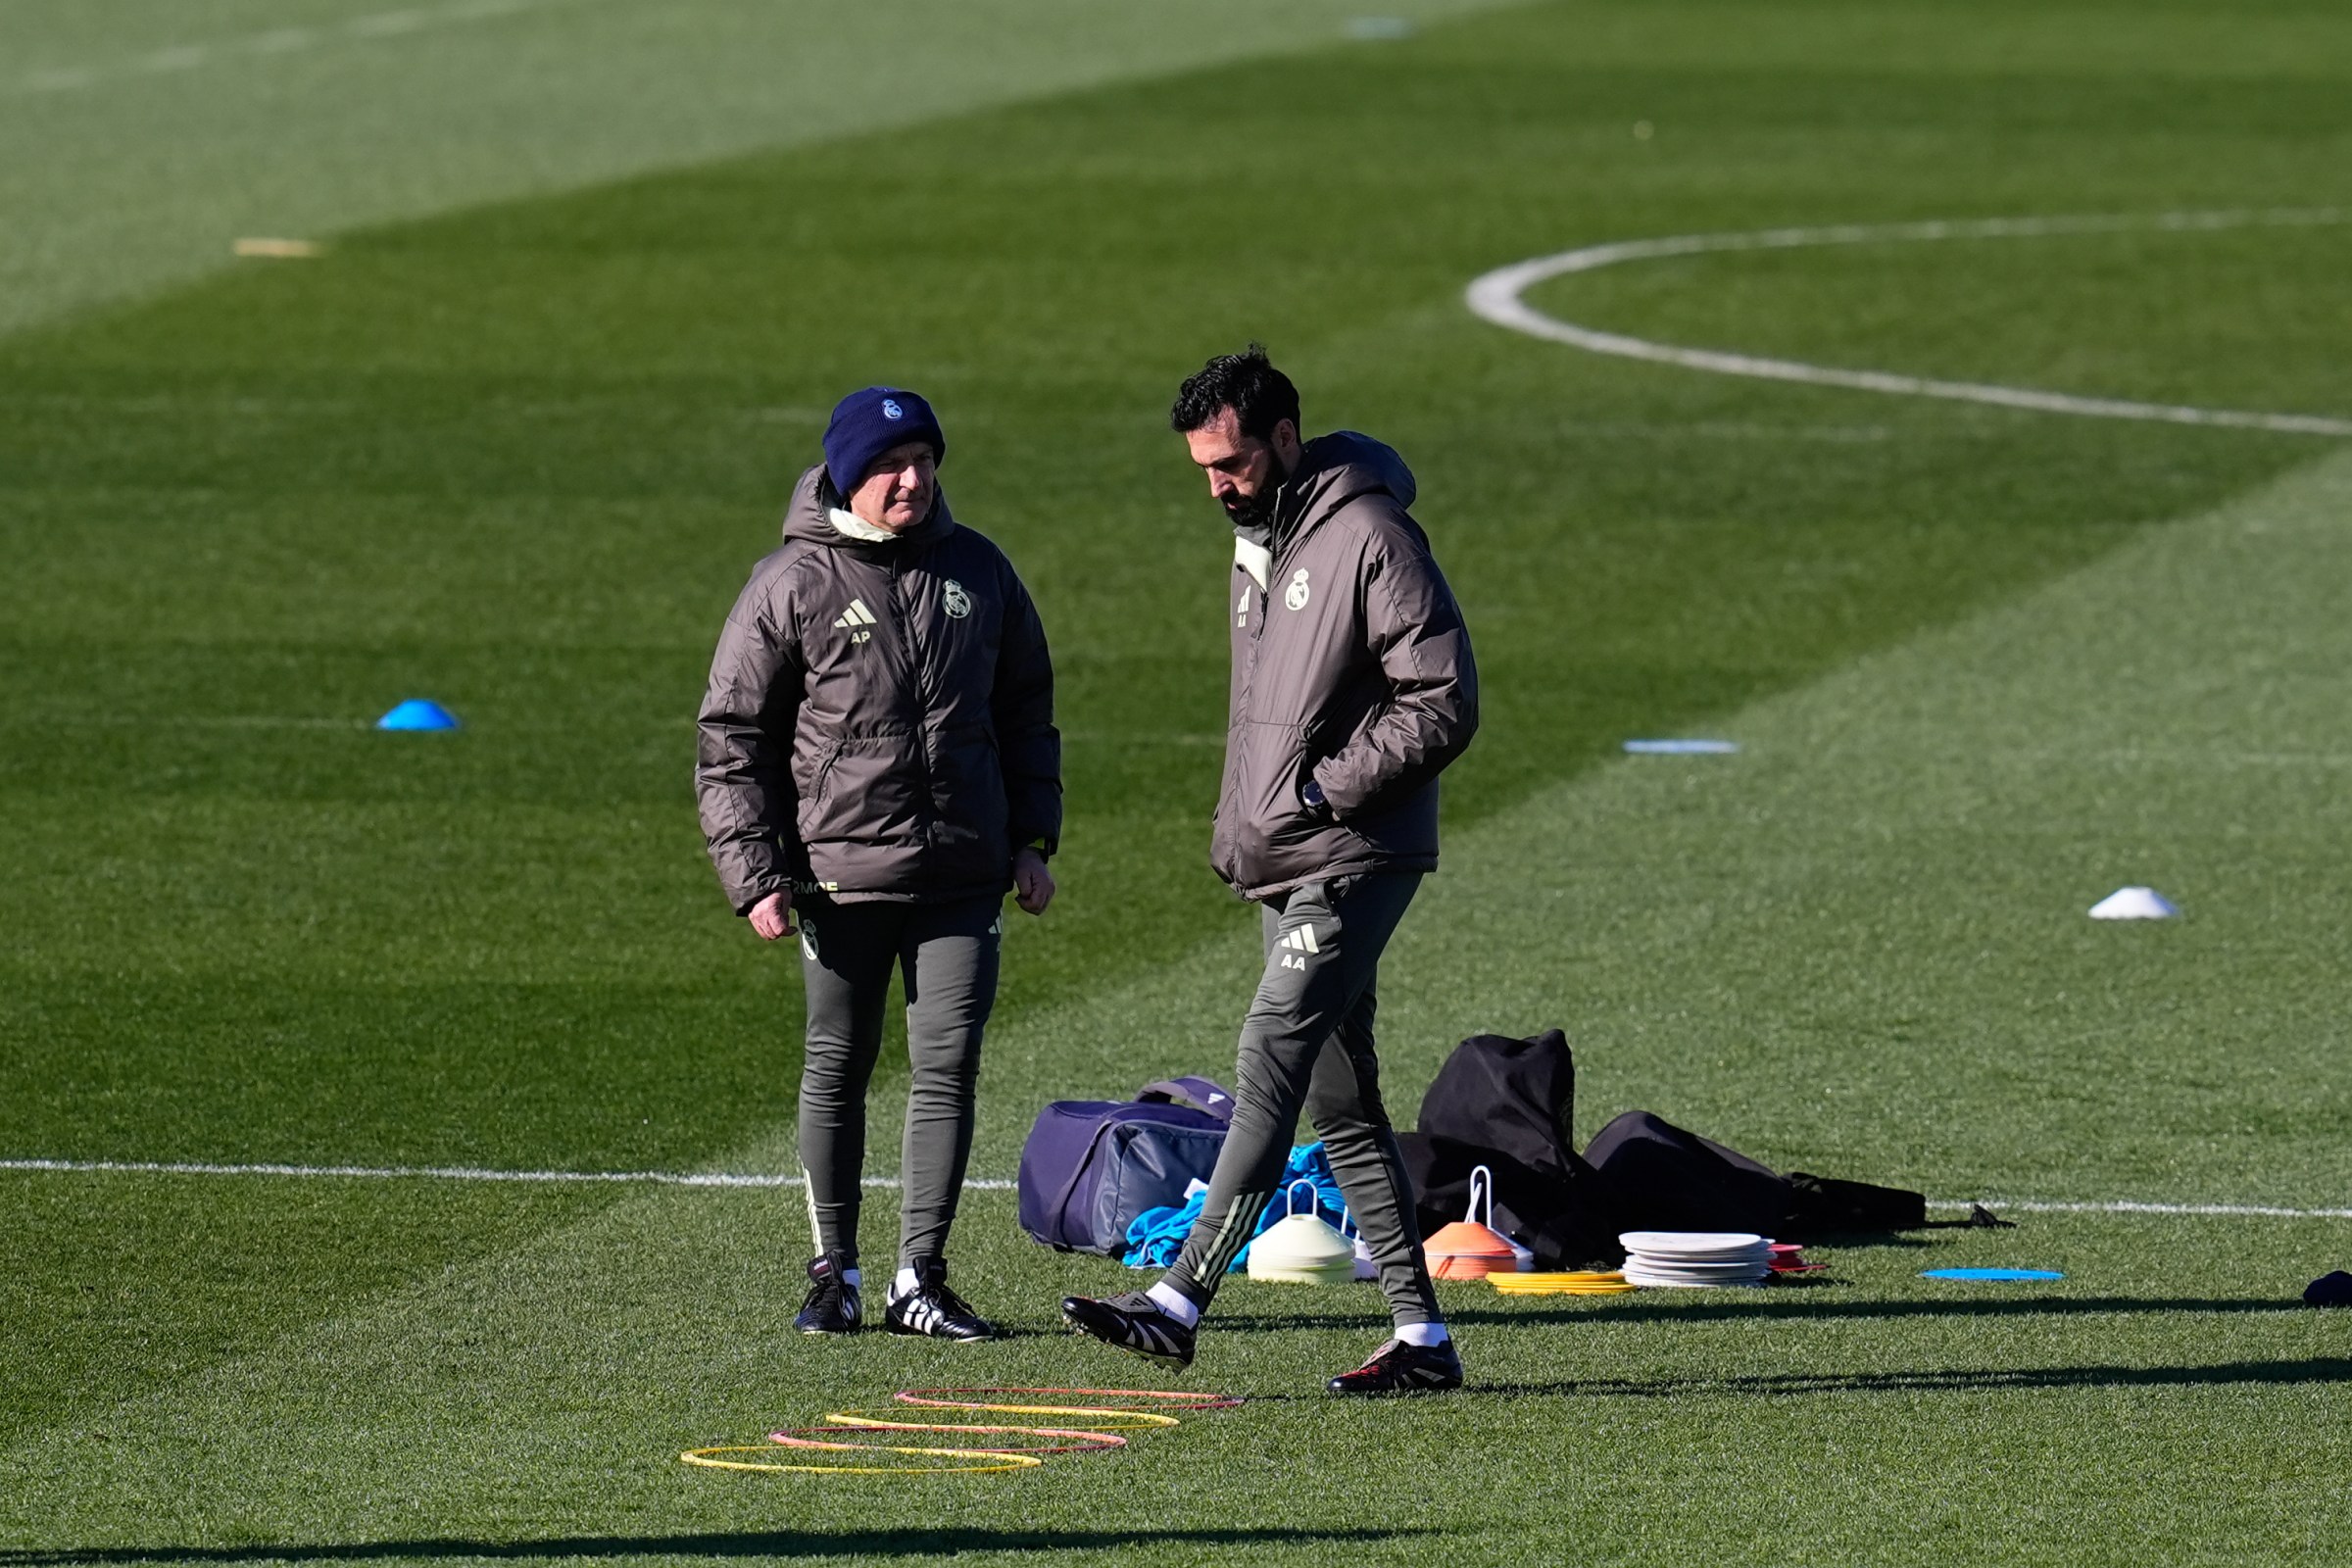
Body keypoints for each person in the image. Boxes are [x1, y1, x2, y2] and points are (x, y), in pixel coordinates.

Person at [1061, 348, 1479, 1394]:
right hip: (1285, 858)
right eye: (1203, 468)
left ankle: (1178, 1301)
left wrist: (1322, 795)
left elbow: (1442, 698)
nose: (1217, 484)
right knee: (1341, 1099)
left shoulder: (1371, 535)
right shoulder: (1261, 544)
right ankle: (1423, 1339)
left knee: (1270, 1057)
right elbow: (1261, 717)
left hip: (1352, 854)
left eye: (1233, 462)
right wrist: (1241, 826)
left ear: (1286, 438)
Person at [697, 386, 1060, 1342]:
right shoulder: (789, 583)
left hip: (964, 872)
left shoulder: (979, 568)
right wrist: (755, 873)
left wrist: (1033, 839)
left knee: (948, 1064)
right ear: (847, 474)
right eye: (891, 466)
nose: (913, 480)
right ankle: (836, 1274)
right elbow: (732, 738)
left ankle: (919, 1279)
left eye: (925, 461)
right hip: (839, 876)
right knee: (837, 1065)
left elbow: (1026, 708)